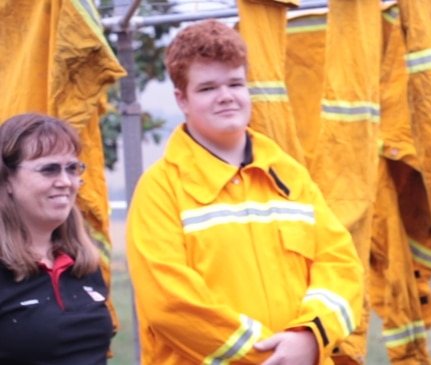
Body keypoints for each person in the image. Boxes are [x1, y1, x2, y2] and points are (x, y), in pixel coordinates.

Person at [126, 19, 364, 365]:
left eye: (235, 83)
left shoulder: (289, 175)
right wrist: (274, 357)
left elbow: (340, 265)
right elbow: (170, 305)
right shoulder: (160, 190)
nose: (225, 97)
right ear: (182, 99)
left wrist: (311, 336)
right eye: (207, 88)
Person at [0, 113, 113, 364]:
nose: (65, 182)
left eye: (72, 168)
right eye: (49, 169)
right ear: (7, 179)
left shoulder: (84, 263)